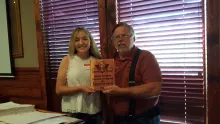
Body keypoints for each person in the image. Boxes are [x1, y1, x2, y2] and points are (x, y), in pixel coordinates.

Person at [102, 22, 162, 124]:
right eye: (116, 37)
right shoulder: (110, 61)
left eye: (124, 36)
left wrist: (121, 91)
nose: (120, 39)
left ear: (134, 39)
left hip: (143, 120)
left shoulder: (146, 57)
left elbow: (154, 89)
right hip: (117, 119)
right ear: (113, 41)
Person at [56, 27, 102, 124]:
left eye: (85, 39)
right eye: (77, 40)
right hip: (72, 112)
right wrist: (80, 88)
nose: (81, 43)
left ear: (90, 40)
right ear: (73, 43)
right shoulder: (67, 60)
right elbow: (59, 90)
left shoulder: (98, 61)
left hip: (95, 111)